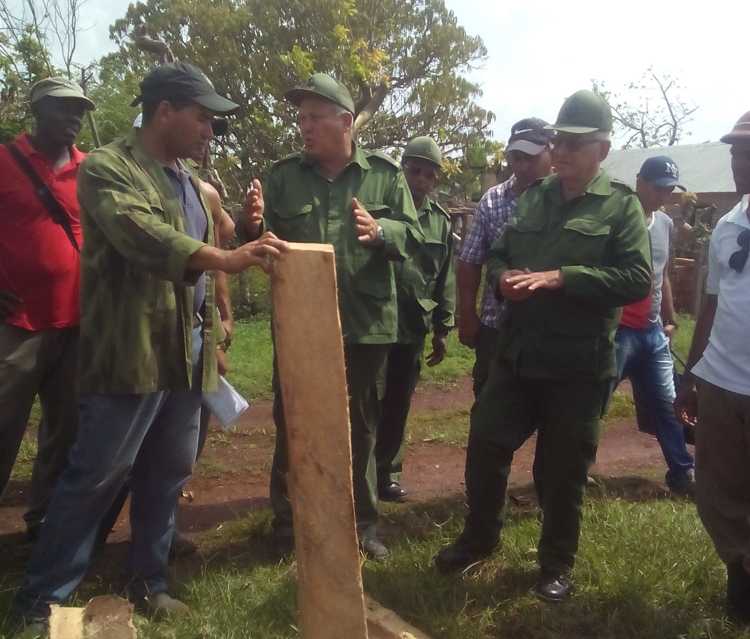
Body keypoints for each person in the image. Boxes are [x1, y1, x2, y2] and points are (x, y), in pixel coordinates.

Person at [12, 62, 287, 631]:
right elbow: (144, 235)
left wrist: (236, 244)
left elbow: (208, 251)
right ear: (165, 110)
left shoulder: (187, 179)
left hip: (186, 358)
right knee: (96, 475)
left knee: (168, 472)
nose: (210, 130)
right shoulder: (110, 169)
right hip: (130, 355)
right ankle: (42, 599)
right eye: (203, 118)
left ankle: (148, 580)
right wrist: (227, 256)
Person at [434, 90, 652, 602]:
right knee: (486, 441)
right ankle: (481, 536)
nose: (563, 151)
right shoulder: (533, 198)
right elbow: (499, 254)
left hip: (577, 365)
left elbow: (637, 278)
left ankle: (555, 564)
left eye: (576, 143)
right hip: (519, 354)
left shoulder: (621, 208)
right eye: (559, 142)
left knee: (562, 469)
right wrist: (504, 276)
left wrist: (563, 277)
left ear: (602, 148)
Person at [251, 73, 422, 560]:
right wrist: (253, 223)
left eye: (314, 118)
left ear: (345, 121)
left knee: (360, 425)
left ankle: (362, 524)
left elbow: (413, 236)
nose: (304, 127)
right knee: (294, 420)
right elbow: (267, 240)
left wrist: (382, 228)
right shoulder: (283, 176)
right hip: (300, 322)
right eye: (300, 118)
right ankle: (289, 527)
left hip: (365, 323)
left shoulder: (385, 176)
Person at [0, 77, 95, 541]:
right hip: (18, 327)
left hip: (77, 326)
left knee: (65, 433)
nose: (74, 118)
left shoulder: (91, 170)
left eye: (79, 110)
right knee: (3, 425)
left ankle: (43, 524)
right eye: (64, 109)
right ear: (38, 111)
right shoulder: (4, 161)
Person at [675, 111, 750, 624]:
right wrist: (692, 374)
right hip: (723, 380)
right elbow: (712, 304)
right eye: (736, 152)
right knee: (716, 492)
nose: (740, 162)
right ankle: (741, 578)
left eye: (747, 152)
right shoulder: (727, 226)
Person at [375, 136, 455, 502]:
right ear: (401, 169)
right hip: (374, 323)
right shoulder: (381, 211)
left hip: (412, 325)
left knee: (397, 403)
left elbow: (444, 276)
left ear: (435, 179)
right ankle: (355, 474)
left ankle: (386, 474)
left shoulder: (441, 223)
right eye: (413, 170)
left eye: (427, 173)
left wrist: (443, 327)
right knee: (365, 402)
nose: (419, 178)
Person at [612, 156, 695, 495]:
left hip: (651, 331)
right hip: (616, 329)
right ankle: (573, 469)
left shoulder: (664, 224)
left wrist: (670, 318)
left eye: (669, 189)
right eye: (659, 187)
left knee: (667, 401)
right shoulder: (616, 218)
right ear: (640, 182)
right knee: (593, 401)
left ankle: (681, 473)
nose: (664, 195)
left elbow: (663, 272)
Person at [457, 118, 553, 396]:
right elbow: (470, 261)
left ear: (551, 151)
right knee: (487, 409)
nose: (521, 166)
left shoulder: (568, 198)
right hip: (497, 328)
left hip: (549, 333)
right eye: (515, 157)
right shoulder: (492, 200)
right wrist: (467, 316)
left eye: (530, 158)